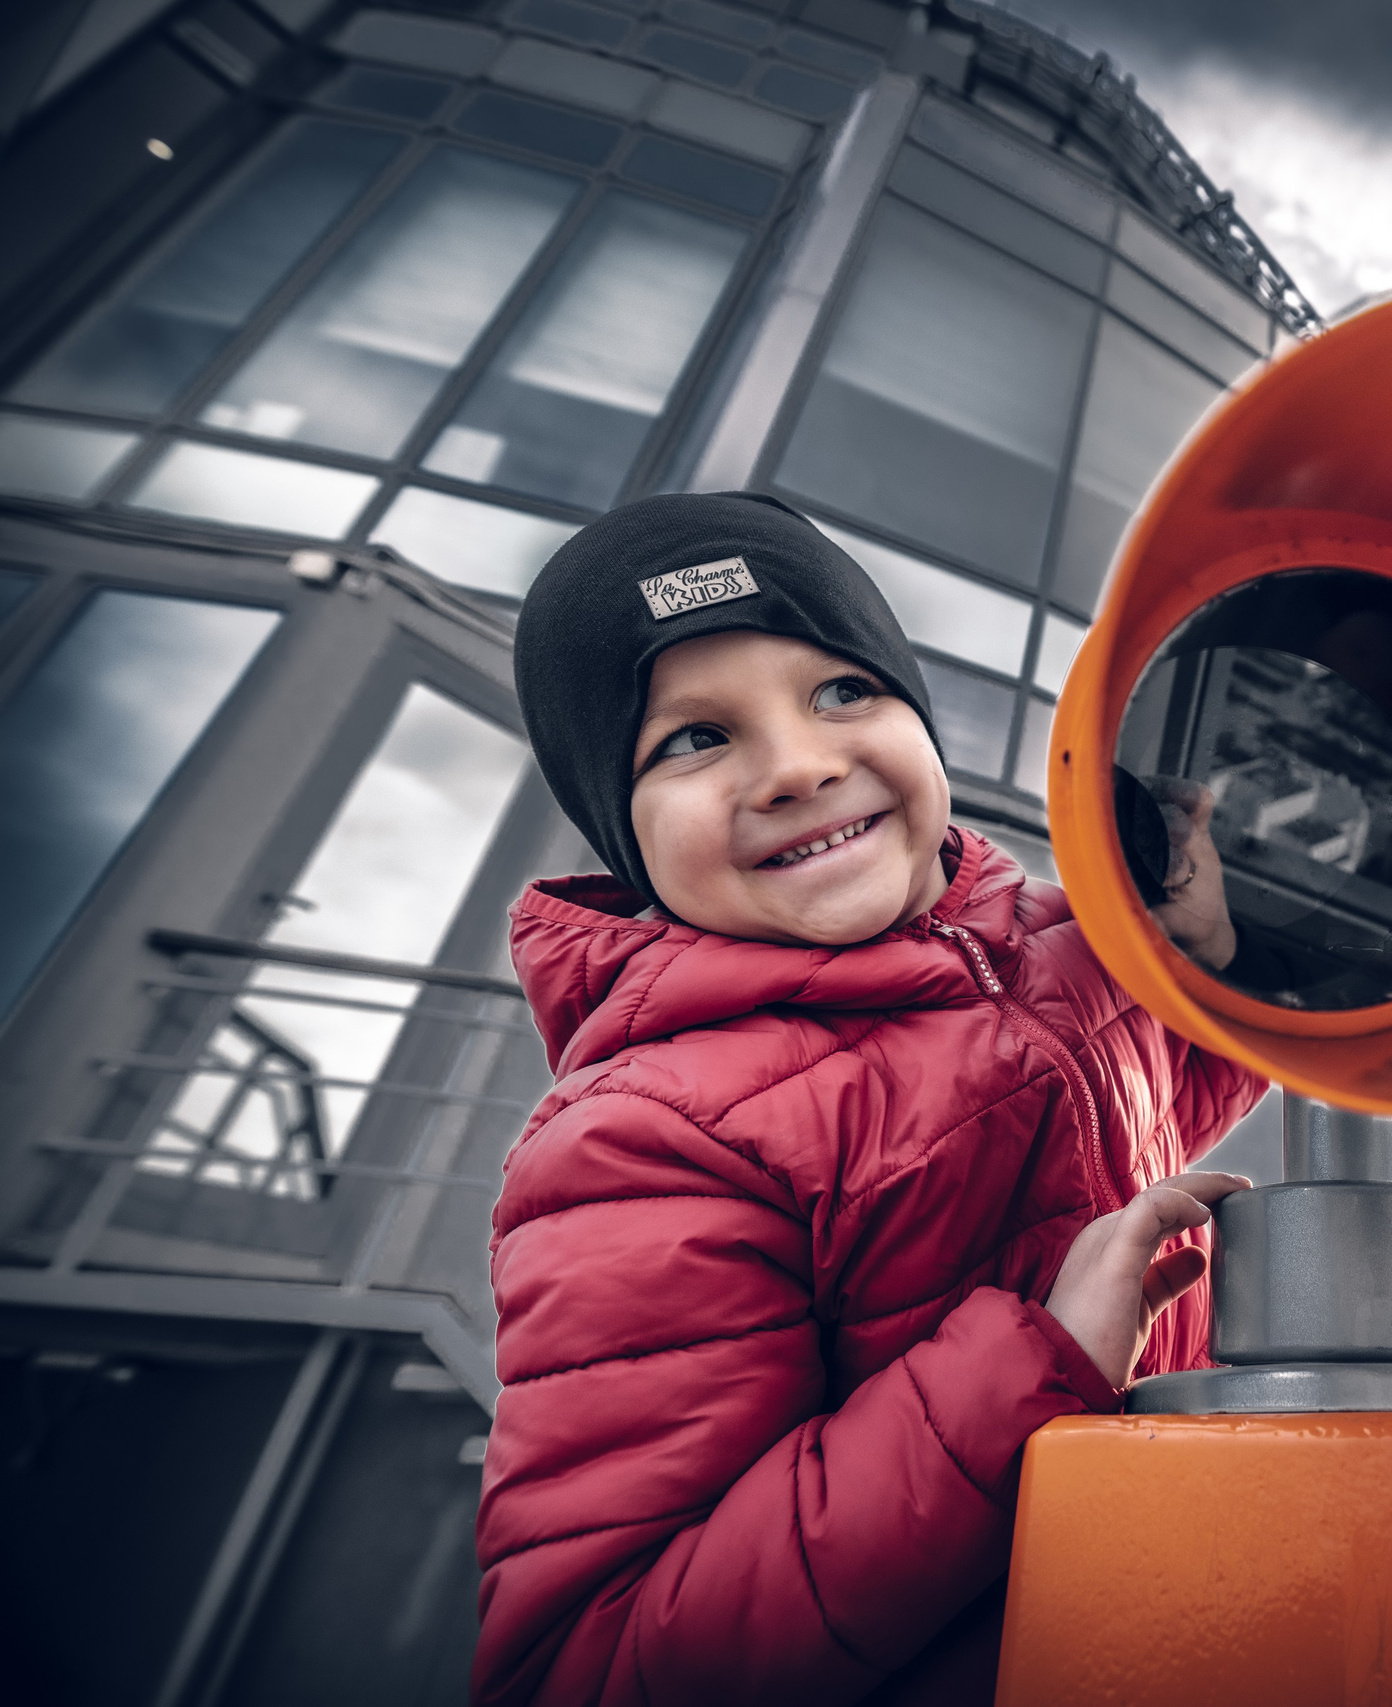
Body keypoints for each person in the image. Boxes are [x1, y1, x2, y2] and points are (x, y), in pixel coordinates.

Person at [470, 493, 1267, 1706]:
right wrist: (1039, 1360)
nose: (799, 765)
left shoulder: (1057, 939)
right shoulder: (639, 1142)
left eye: (842, 691)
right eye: (691, 738)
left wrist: (1218, 964)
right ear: (620, 830)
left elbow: (1153, 1091)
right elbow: (593, 1663)